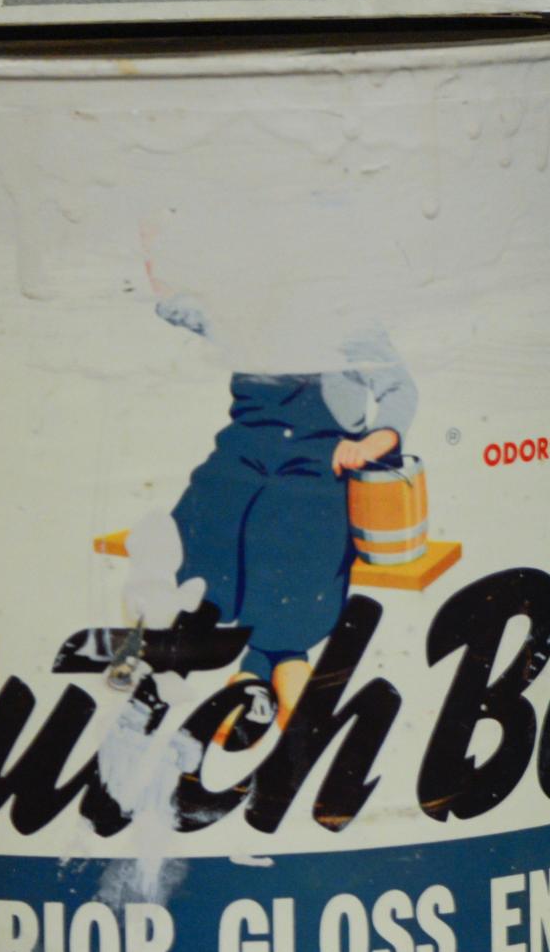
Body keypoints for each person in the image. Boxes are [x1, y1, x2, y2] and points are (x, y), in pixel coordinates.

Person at [151, 296, 417, 739]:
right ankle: (240, 654)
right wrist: (164, 279)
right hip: (244, 449)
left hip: (318, 457)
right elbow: (189, 308)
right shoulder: (249, 309)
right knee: (213, 511)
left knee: (295, 527)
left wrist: (372, 444)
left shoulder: (352, 318)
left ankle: (267, 664)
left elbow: (399, 389)